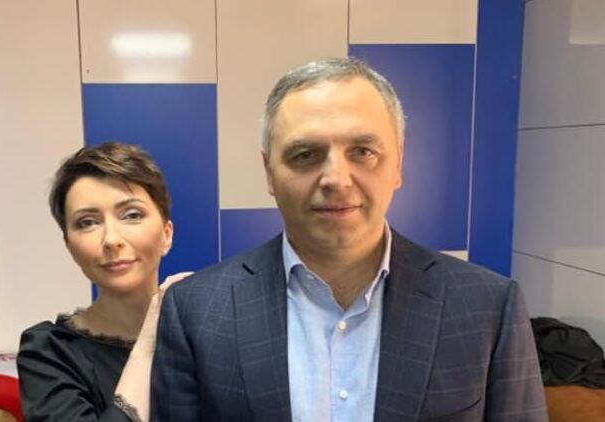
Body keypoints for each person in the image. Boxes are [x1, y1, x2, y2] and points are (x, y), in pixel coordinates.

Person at [151, 58, 548, 421]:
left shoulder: (487, 308)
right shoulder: (195, 311)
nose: (337, 180)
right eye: (306, 154)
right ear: (269, 172)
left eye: (362, 151)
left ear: (398, 163)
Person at [17, 142, 191, 421]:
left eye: (132, 215)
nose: (111, 239)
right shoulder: (49, 351)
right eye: (87, 222)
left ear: (166, 234)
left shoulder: (205, 336)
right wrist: (146, 345)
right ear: (69, 246)